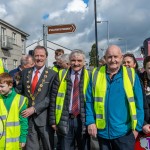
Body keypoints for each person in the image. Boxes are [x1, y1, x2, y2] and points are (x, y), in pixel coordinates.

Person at [86, 45, 144, 150]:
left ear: (121, 58)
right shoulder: (96, 74)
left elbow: (139, 103)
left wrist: (137, 128)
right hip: (102, 132)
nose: (113, 60)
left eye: (116, 57)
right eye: (109, 57)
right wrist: (90, 121)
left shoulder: (131, 75)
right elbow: (89, 100)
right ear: (105, 58)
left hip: (125, 133)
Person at [15, 45, 57, 150]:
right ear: (33, 57)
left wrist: (34, 109)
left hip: (44, 118)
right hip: (27, 118)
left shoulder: (53, 74)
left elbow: (50, 98)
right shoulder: (25, 72)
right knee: (31, 147)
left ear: (46, 57)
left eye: (42, 56)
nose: (39, 58)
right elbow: (19, 91)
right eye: (36, 55)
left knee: (48, 146)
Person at [49, 50, 91, 150]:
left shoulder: (90, 75)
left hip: (83, 119)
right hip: (66, 119)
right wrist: (53, 121)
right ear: (69, 61)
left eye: (79, 60)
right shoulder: (61, 74)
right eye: (73, 60)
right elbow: (53, 98)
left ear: (84, 61)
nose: (76, 63)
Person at [0, 73, 28, 149]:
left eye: (2, 86)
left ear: (10, 85)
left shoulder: (20, 100)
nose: (0, 89)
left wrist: (23, 138)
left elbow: (23, 121)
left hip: (14, 143)